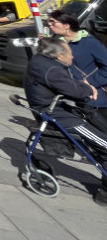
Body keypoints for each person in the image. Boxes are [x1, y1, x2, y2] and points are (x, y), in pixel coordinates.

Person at [25, 37, 107, 206]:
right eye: (70, 54)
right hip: (57, 114)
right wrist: (89, 88)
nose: (72, 57)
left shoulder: (39, 60)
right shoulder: (52, 70)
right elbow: (75, 91)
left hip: (52, 109)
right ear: (60, 55)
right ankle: (104, 193)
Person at [47, 10, 107, 133]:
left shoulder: (89, 42)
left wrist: (90, 83)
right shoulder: (59, 44)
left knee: (102, 131)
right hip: (73, 95)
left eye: (53, 22)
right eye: (48, 21)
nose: (49, 24)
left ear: (66, 25)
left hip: (94, 98)